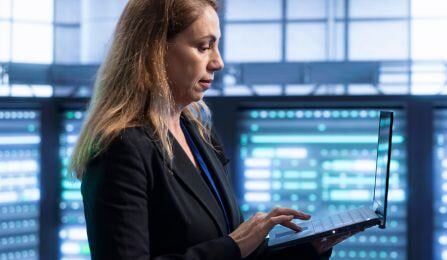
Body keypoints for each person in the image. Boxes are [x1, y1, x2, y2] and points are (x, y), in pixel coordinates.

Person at [69, 0, 356, 258]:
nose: (218, 62)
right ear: (155, 51)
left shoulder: (197, 133)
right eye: (203, 47)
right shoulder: (121, 147)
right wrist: (234, 245)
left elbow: (234, 252)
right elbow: (230, 249)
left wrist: (308, 248)